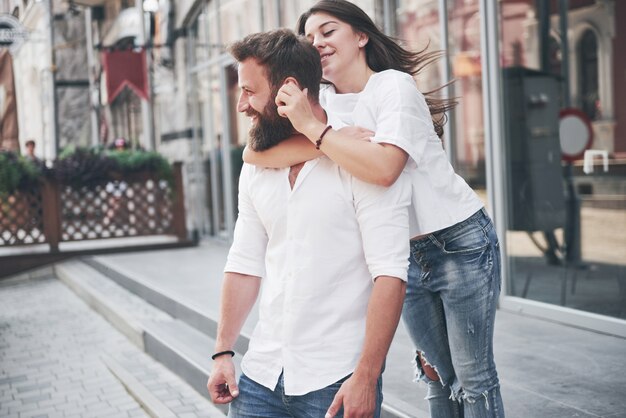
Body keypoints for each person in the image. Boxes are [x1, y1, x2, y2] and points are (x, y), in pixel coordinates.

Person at [243, 1, 504, 417]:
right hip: (403, 254)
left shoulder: (393, 87)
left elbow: (384, 169)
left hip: (457, 241)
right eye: (311, 38)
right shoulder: (322, 98)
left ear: (361, 36)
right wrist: (330, 136)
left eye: (329, 31)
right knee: (435, 371)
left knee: (472, 378)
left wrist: (316, 131)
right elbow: (256, 155)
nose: (318, 43)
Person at [206, 28, 412, 418]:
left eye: (249, 91)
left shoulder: (360, 157)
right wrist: (223, 351)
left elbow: (390, 274)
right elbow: (244, 262)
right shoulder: (257, 165)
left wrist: (366, 376)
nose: (241, 105)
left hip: (335, 380)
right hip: (260, 376)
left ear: (288, 89)